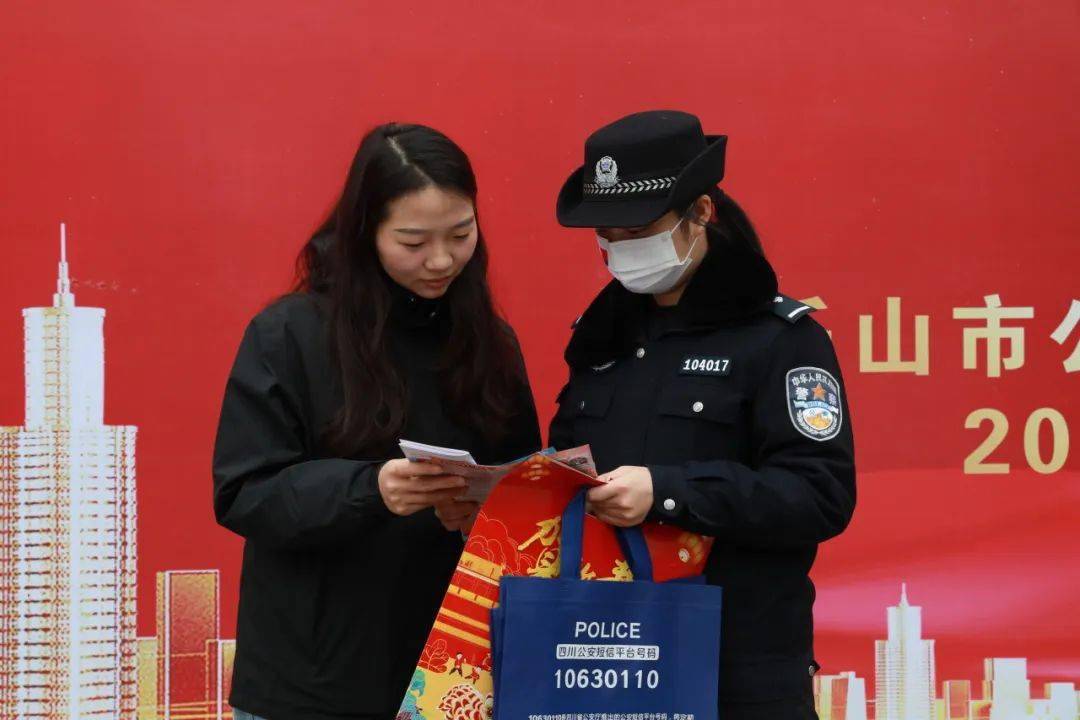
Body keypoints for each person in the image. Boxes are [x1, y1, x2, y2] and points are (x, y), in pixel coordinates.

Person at [213, 123, 541, 720]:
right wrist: (371, 488)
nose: (441, 260)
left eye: (460, 235)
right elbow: (243, 492)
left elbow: (523, 490)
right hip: (310, 681)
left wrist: (484, 509)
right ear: (364, 234)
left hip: (455, 674)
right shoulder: (288, 335)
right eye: (413, 242)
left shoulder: (491, 344)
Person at [549, 110, 856, 719]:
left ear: (702, 214)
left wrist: (668, 491)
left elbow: (819, 494)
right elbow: (566, 469)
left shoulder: (780, 339)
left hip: (738, 669)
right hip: (604, 660)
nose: (621, 249)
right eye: (607, 234)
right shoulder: (601, 337)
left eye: (639, 230)